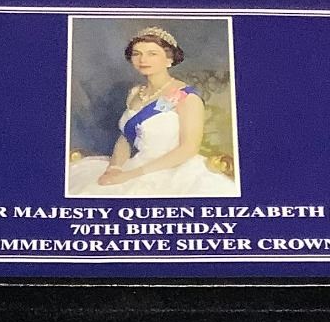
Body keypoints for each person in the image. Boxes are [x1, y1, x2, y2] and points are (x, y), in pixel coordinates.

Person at [66, 26, 237, 198]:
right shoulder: (134, 93)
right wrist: (115, 167)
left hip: (174, 170)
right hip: (135, 164)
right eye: (137, 54)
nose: (143, 59)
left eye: (152, 54)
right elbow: (126, 137)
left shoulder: (187, 97)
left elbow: (188, 148)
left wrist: (130, 175)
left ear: (169, 59)